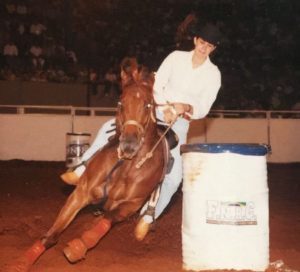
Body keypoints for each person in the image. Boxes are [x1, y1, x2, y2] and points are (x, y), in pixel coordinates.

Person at [61, 22, 222, 240]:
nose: (204, 48)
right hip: (155, 111)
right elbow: (158, 85)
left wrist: (184, 108)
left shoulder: (213, 74)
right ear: (195, 40)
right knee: (109, 127)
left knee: (175, 179)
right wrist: (165, 106)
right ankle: (82, 167)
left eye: (209, 45)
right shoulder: (175, 58)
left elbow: (204, 107)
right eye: (202, 42)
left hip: (181, 123)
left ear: (214, 48)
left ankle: (148, 216)